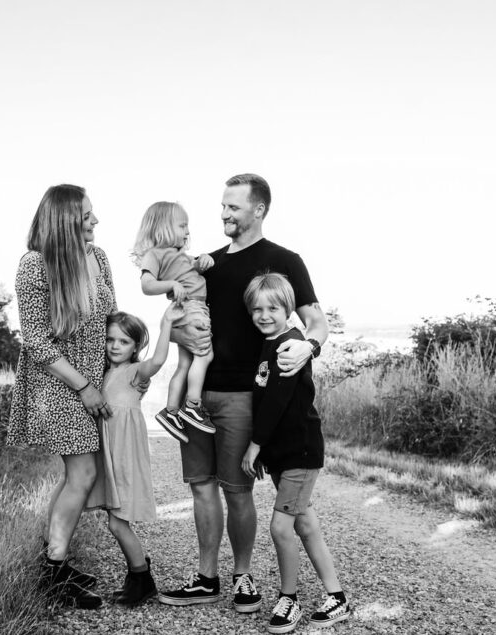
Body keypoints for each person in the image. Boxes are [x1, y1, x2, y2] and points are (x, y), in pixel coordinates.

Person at [158, 174, 329, 615]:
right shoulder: (205, 264)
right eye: (222, 206)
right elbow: (179, 311)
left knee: (237, 490)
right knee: (200, 488)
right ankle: (206, 578)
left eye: (233, 207)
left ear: (259, 210)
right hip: (197, 396)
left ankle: (243, 577)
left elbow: (317, 323)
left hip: (243, 397)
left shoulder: (284, 260)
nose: (224, 214)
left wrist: (307, 347)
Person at [6, 184, 115, 610]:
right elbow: (36, 340)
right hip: (59, 384)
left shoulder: (98, 258)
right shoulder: (34, 265)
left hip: (95, 382)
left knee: (78, 476)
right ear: (65, 219)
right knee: (84, 476)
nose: (95, 221)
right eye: (87, 215)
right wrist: (85, 387)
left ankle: (55, 560)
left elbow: (111, 318)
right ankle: (53, 570)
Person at [241, 273, 349, 632]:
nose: (264, 314)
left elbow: (276, 402)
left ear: (288, 307)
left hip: (300, 452)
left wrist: (254, 448)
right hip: (282, 454)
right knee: (304, 523)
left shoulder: (289, 345)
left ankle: (290, 599)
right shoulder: (267, 343)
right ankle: (337, 597)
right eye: (256, 308)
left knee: (280, 527)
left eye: (272, 307)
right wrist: (267, 452)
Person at [85, 303, 183, 606]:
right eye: (110, 339)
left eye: (124, 341)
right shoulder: (97, 373)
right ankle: (139, 575)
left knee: (117, 523)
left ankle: (142, 578)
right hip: (107, 456)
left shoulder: (133, 373)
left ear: (136, 346)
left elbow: (159, 359)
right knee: (114, 520)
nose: (115, 346)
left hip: (125, 457)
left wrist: (165, 322)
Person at [132, 201, 216, 442]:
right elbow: (147, 285)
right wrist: (171, 285)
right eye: (182, 225)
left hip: (186, 311)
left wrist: (202, 262)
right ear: (162, 228)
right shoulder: (155, 254)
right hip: (191, 308)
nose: (187, 231)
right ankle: (192, 405)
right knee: (205, 355)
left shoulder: (180, 256)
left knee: (185, 365)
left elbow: (194, 268)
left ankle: (171, 412)